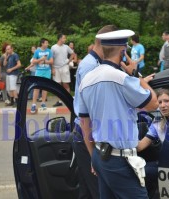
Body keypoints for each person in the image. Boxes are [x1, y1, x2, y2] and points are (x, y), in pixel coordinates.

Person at [79, 29, 159, 199]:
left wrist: (93, 157)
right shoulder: (121, 78)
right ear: (123, 52)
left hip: (100, 156)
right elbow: (153, 104)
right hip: (120, 160)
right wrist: (139, 78)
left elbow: (85, 125)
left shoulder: (87, 79)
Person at [73, 24, 118, 199]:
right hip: (88, 134)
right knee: (98, 190)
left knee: (86, 191)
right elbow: (93, 108)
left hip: (86, 132)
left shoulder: (95, 63)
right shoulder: (90, 66)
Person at [137, 88, 169, 199]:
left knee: (144, 172)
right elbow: (140, 146)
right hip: (166, 163)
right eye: (160, 102)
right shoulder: (158, 123)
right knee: (139, 171)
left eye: (166, 101)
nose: (163, 105)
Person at [29, 38, 54, 114]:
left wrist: (45, 61)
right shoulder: (37, 51)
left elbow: (51, 61)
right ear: (42, 44)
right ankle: (33, 104)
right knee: (36, 88)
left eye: (47, 43)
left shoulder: (49, 51)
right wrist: (41, 59)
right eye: (46, 43)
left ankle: (43, 102)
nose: (47, 44)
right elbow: (33, 61)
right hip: (39, 71)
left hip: (47, 71)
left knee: (45, 88)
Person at [51, 33, 75, 106]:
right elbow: (51, 59)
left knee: (66, 84)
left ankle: (68, 100)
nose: (65, 39)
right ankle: (59, 101)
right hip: (56, 67)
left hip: (65, 67)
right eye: (64, 38)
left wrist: (68, 61)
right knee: (58, 85)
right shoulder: (53, 47)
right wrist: (52, 69)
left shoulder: (66, 47)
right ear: (60, 38)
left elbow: (73, 54)